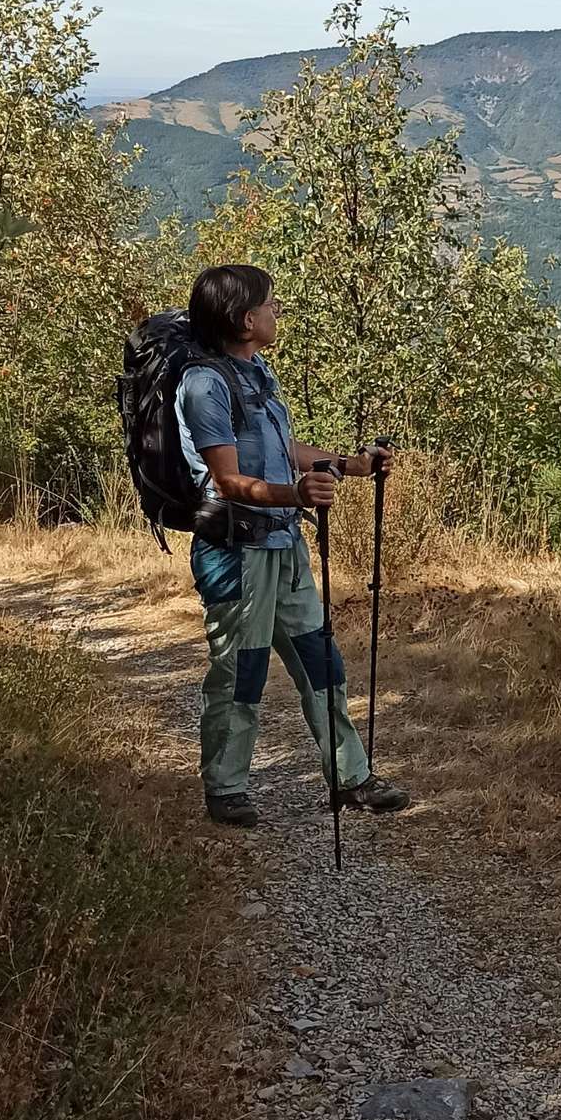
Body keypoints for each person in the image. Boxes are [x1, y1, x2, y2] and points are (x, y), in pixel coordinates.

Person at [176, 262, 409, 826]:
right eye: (269, 304)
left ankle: (351, 778)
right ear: (244, 319)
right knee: (241, 670)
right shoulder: (205, 384)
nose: (277, 311)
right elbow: (226, 480)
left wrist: (348, 465)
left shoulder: (257, 372)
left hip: (283, 545)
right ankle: (226, 788)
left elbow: (283, 447)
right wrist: (296, 494)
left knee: (321, 662)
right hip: (236, 553)